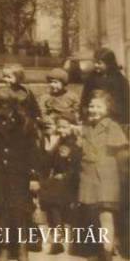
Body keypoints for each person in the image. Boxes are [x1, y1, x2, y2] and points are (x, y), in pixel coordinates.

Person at [0, 86, 43, 261]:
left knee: (19, 213)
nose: (0, 110)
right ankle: (5, 248)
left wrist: (34, 176)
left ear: (11, 105)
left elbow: (33, 153)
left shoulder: (25, 124)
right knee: (2, 212)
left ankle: (22, 248)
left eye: (3, 106)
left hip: (19, 175)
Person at [78, 91, 128, 261]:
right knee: (91, 216)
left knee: (105, 216)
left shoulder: (112, 127)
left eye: (99, 106)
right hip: (88, 176)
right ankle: (96, 251)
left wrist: (123, 176)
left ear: (108, 109)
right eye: (91, 106)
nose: (94, 109)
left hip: (107, 177)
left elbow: (122, 154)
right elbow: (80, 149)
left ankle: (106, 254)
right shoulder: (85, 127)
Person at [38, 111, 80, 256]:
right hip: (61, 180)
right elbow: (49, 161)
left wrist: (63, 176)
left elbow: (74, 166)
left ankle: (58, 239)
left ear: (73, 127)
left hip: (70, 182)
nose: (61, 130)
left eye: (65, 127)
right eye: (59, 127)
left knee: (53, 201)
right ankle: (57, 235)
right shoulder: (60, 142)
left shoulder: (71, 144)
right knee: (50, 202)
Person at [80, 48, 129, 126]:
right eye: (94, 62)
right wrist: (83, 115)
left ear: (109, 64)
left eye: (99, 63)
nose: (96, 65)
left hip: (114, 117)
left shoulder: (119, 79)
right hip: (95, 113)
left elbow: (125, 101)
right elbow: (85, 98)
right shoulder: (91, 78)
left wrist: (124, 120)